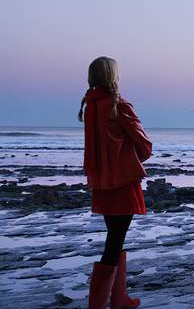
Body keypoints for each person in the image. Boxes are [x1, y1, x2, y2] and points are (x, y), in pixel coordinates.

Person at [79, 56, 151, 309]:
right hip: (122, 181)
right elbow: (145, 146)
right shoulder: (118, 104)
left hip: (101, 182)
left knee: (115, 236)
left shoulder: (91, 106)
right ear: (113, 76)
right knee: (115, 241)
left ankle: (119, 298)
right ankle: (99, 304)